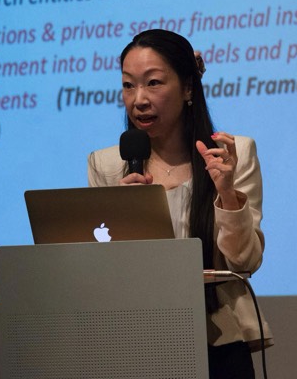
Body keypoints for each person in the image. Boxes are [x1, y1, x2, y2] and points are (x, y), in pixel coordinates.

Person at [88, 29, 273, 379]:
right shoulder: (106, 165)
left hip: (219, 346)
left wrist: (226, 192)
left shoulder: (231, 155)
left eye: (153, 83)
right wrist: (125, 218)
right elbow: (103, 276)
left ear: (188, 88)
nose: (138, 99)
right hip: (136, 341)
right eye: (128, 85)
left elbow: (245, 262)